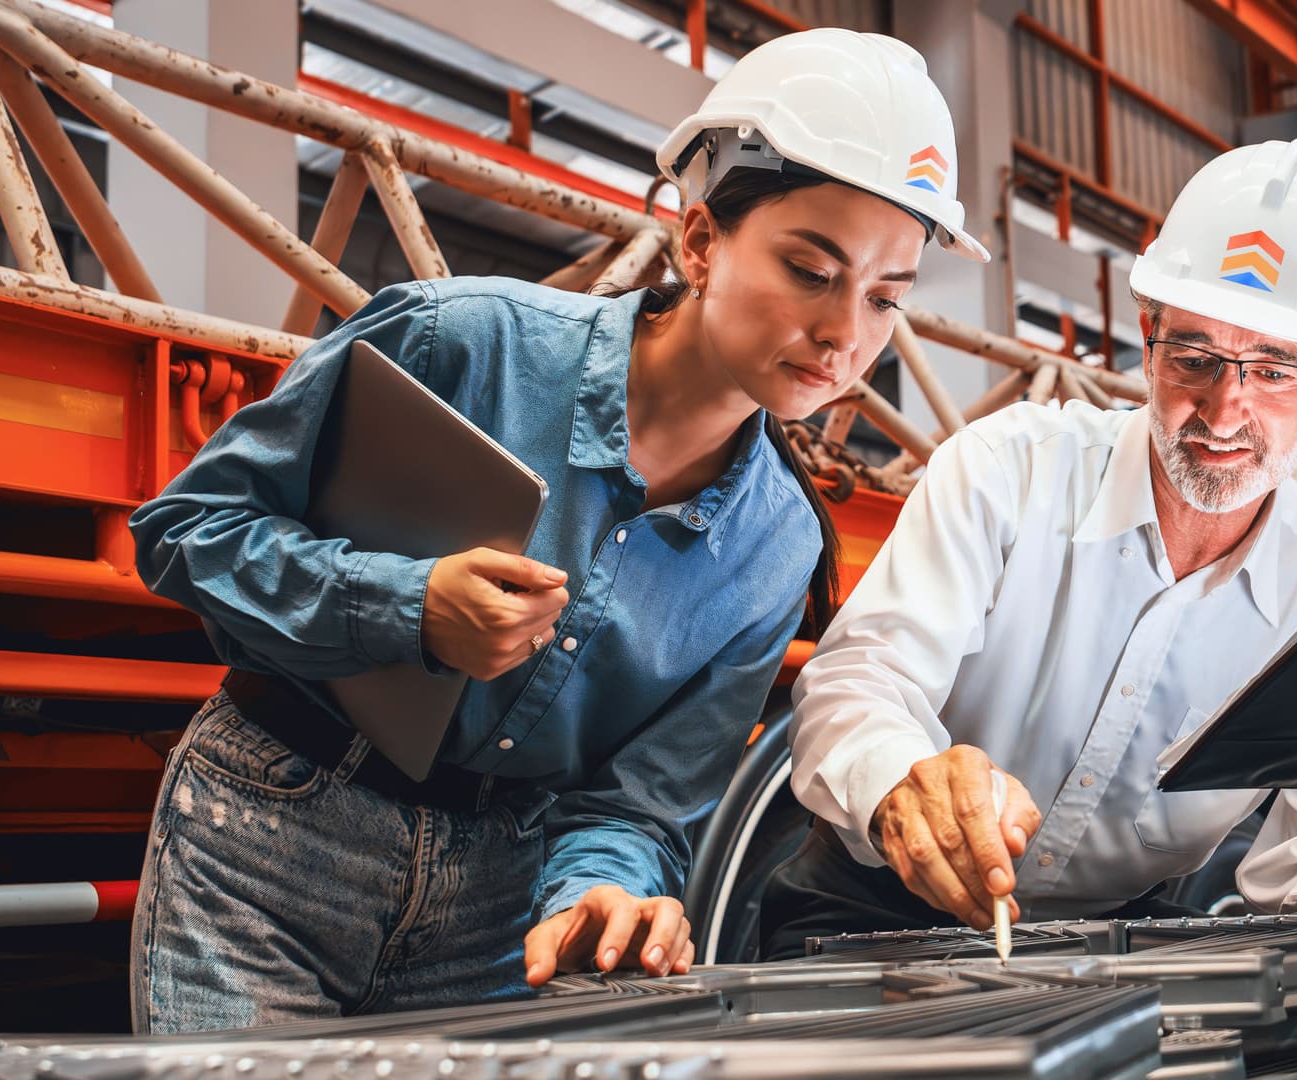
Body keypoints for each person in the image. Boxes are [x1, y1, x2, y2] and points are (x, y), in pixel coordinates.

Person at [126, 28, 986, 1032]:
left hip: (497, 913)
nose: (847, 336)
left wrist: (600, 893)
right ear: (701, 240)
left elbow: (640, 803)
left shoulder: (779, 548)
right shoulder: (460, 343)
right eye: (810, 269)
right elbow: (189, 528)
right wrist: (406, 606)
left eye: (886, 298)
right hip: (270, 845)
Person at [762, 139, 1297, 959]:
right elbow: (860, 677)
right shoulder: (1008, 469)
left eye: (1273, 371)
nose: (1223, 413)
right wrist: (901, 781)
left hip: (1124, 948)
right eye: (1194, 357)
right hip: (875, 912)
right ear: (1148, 334)